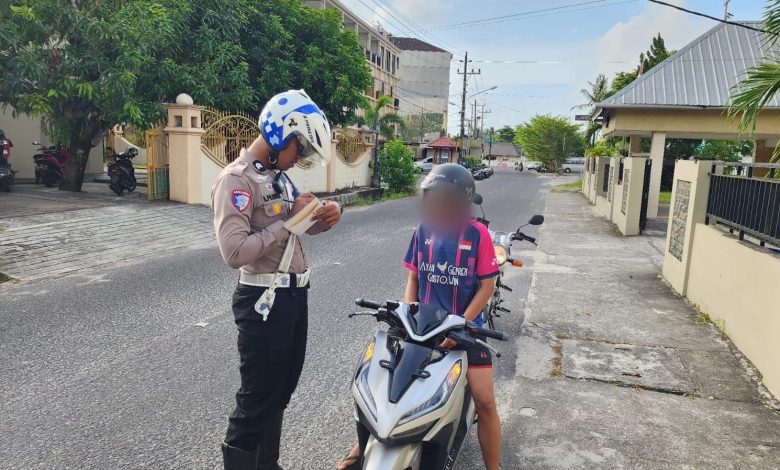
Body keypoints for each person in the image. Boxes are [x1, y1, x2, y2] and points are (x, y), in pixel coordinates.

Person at [338, 164, 502, 470]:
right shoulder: (423, 231)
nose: (438, 205)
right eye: (433, 198)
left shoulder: (478, 234)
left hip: (465, 329)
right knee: (382, 380)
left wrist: (462, 323)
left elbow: (487, 287)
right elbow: (413, 277)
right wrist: (408, 312)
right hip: (421, 326)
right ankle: (365, 444)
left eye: (446, 199)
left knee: (485, 401)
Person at [212, 89, 343, 470]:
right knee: (257, 398)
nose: (300, 157)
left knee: (280, 391)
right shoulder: (237, 180)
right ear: (279, 134)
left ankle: (268, 465)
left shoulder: (280, 180)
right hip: (262, 301)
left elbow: (297, 230)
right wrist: (287, 221)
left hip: (292, 298)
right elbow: (234, 252)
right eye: (300, 147)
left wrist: (325, 217)